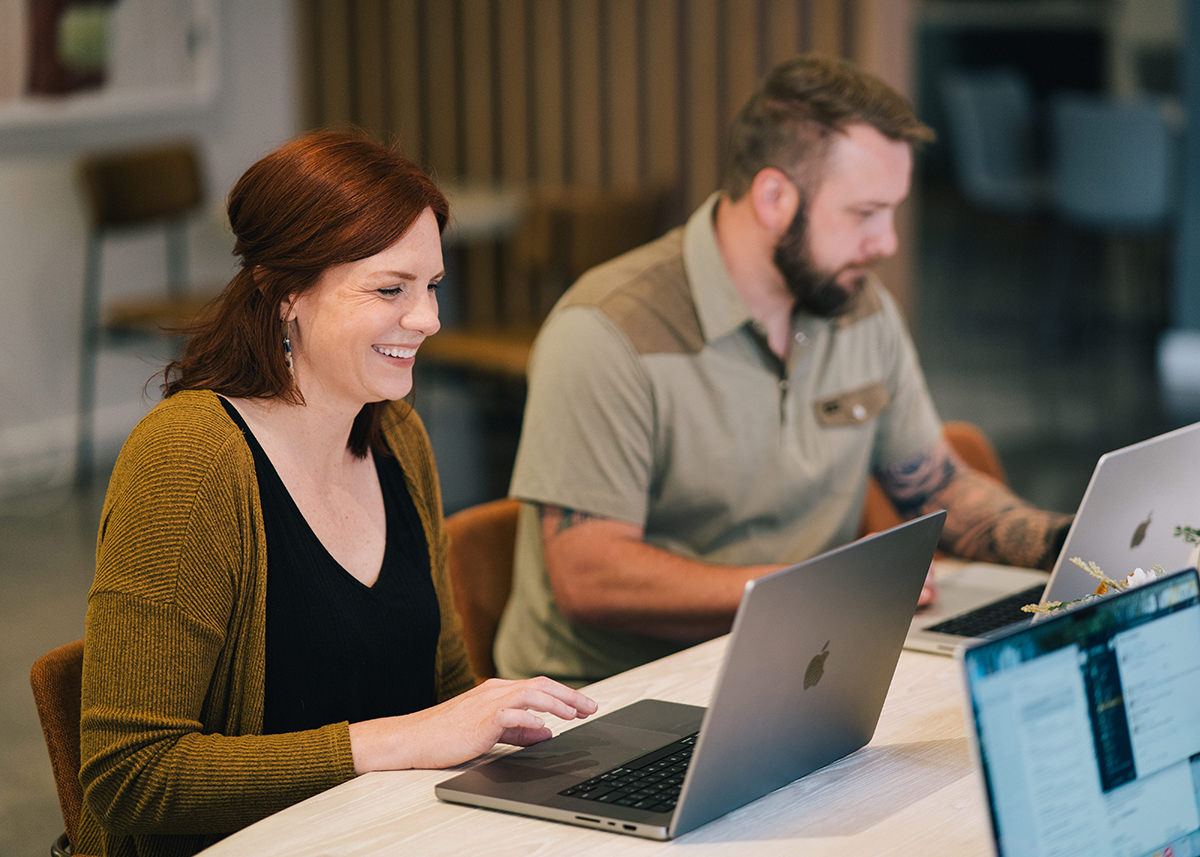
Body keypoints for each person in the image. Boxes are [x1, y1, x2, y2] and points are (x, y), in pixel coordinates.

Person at [77, 131, 596, 857]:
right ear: (285, 290)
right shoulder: (188, 458)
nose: (428, 319)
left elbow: (442, 684)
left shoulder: (398, 436)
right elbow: (130, 774)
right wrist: (397, 740)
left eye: (432, 286)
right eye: (390, 289)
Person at [494, 54, 1074, 686]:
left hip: (796, 662)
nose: (887, 243)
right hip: (610, 703)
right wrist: (817, 591)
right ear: (774, 197)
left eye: (893, 211)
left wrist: (1071, 546)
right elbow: (590, 576)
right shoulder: (606, 331)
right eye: (864, 213)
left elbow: (936, 488)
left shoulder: (857, 308)